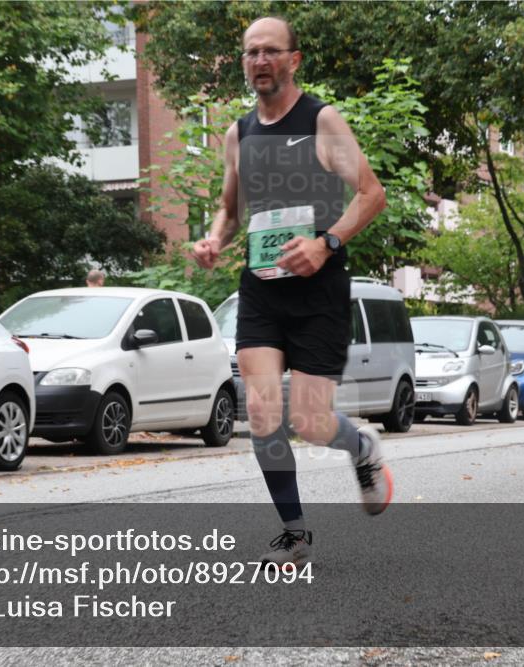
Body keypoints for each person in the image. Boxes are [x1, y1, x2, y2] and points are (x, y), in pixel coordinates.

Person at [193, 16, 391, 567]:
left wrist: (327, 242)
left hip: (319, 293)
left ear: (294, 60)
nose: (260, 61)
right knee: (260, 410)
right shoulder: (239, 134)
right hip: (260, 289)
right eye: (251, 53)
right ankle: (296, 535)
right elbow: (231, 210)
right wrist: (214, 238)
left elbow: (372, 196)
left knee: (309, 422)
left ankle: (362, 447)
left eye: (271, 51)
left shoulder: (322, 120)